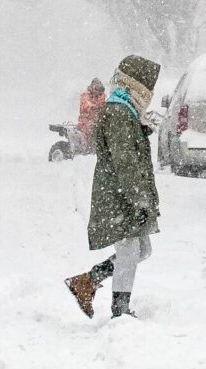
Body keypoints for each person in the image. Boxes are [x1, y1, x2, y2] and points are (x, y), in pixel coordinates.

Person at [64, 54, 161, 320]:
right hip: (119, 196)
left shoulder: (126, 110)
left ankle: (87, 281)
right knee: (129, 251)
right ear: (138, 85)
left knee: (143, 250)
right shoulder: (119, 112)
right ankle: (120, 311)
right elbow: (125, 162)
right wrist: (139, 200)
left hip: (124, 194)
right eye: (148, 87)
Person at [74, 77, 105, 153]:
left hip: (98, 119)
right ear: (93, 88)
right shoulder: (85, 94)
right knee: (89, 130)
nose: (98, 93)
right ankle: (86, 150)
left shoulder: (101, 95)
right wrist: (94, 107)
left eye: (100, 91)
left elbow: (104, 103)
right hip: (85, 120)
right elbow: (85, 105)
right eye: (97, 90)